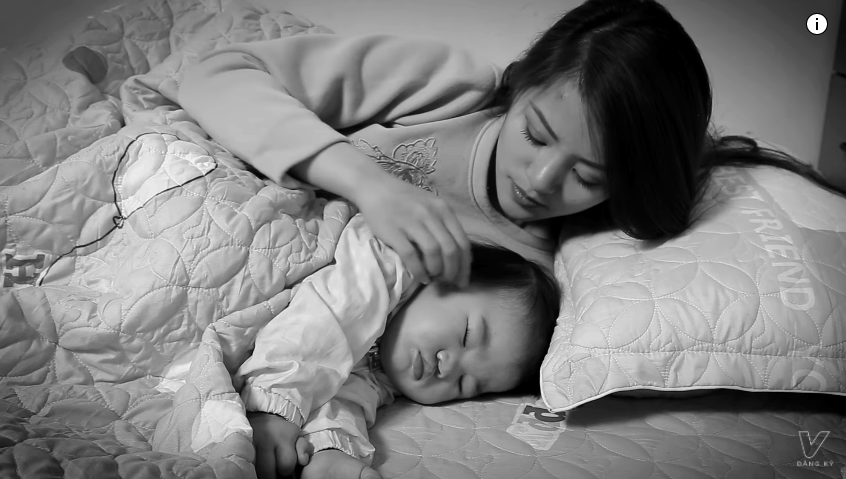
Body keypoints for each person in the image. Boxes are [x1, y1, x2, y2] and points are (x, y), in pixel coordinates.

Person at [179, 0, 846, 289]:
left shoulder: (549, 262)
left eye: (590, 176)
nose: (542, 179)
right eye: (535, 133)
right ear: (524, 81)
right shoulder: (453, 88)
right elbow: (216, 74)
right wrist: (369, 183)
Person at [235, 214, 559, 479]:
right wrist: (274, 405)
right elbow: (324, 323)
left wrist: (331, 451)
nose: (448, 367)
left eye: (465, 384)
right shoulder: (384, 264)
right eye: (466, 335)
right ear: (447, 275)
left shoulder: (381, 375)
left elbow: (343, 395)